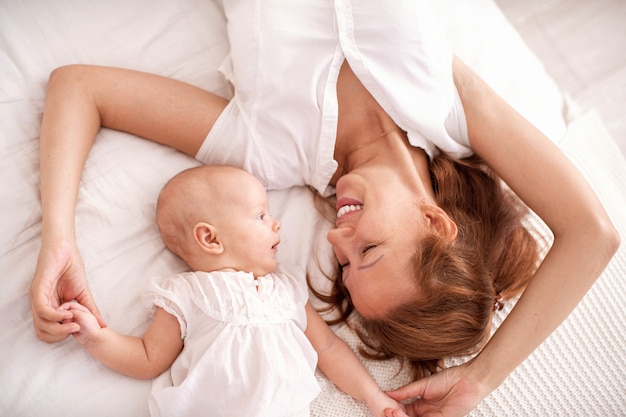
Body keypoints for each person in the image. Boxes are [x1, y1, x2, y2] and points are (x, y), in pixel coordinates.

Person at [30, 2, 619, 416]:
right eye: (369, 249)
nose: (338, 240)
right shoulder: (447, 108)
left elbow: (79, 88)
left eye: (345, 264)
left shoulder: (265, 152)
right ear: (434, 221)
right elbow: (593, 234)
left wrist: (59, 239)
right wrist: (482, 377)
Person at [58, 164, 407, 417]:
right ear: (210, 238)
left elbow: (329, 349)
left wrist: (373, 397)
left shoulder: (285, 290)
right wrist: (96, 338)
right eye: (260, 216)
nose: (276, 222)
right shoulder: (189, 294)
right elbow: (149, 357)